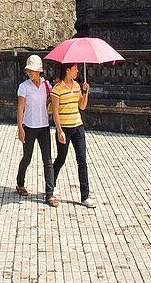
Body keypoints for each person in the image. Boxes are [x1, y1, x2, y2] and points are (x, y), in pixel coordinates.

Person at [49, 63, 96, 208]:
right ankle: (52, 184)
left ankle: (85, 195)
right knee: (61, 158)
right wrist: (59, 130)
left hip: (78, 127)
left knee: (82, 160)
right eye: (75, 68)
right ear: (67, 70)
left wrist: (85, 92)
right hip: (64, 127)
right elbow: (55, 111)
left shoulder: (76, 86)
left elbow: (82, 106)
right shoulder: (58, 89)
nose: (77, 71)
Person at [15, 54, 54, 204]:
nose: (29, 73)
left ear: (39, 71)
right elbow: (20, 108)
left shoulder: (46, 85)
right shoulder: (24, 87)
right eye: (28, 71)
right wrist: (20, 128)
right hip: (29, 126)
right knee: (27, 157)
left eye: (32, 71)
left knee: (48, 160)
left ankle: (49, 194)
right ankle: (20, 182)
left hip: (44, 126)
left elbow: (50, 102)